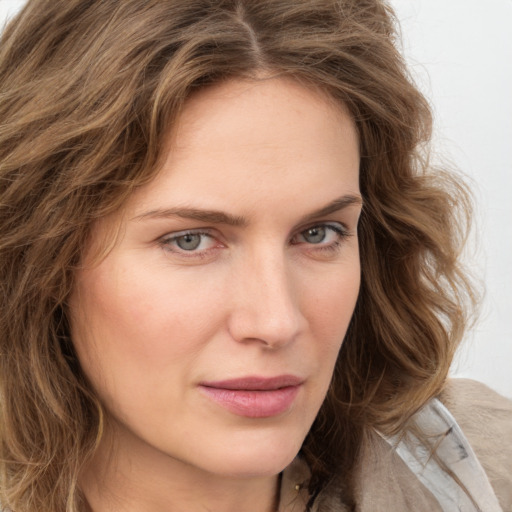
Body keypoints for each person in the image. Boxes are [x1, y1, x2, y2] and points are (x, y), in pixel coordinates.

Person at [0, 1, 510, 511]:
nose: (277, 321)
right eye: (190, 240)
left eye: (318, 232)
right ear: (40, 257)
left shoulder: (478, 468)